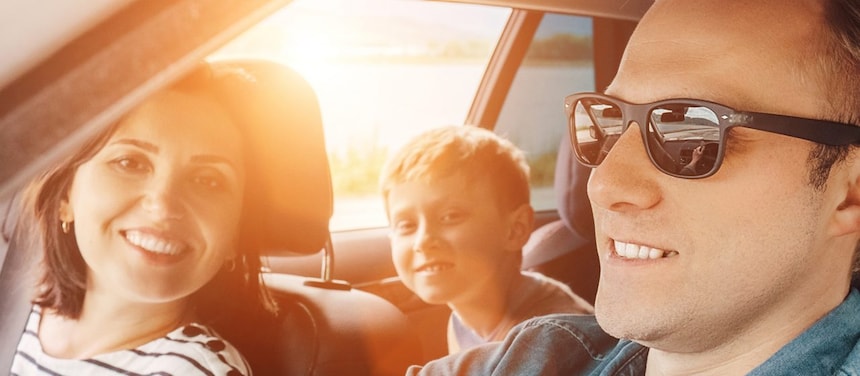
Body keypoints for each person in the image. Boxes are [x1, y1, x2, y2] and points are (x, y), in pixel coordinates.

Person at [407, 0, 860, 374]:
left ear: (850, 191)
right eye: (607, 119)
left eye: (690, 133)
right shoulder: (532, 356)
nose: (604, 184)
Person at [10, 61, 285, 375]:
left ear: (236, 233)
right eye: (129, 163)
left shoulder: (193, 370)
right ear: (65, 198)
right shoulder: (19, 311)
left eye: (208, 180)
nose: (163, 206)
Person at [379, 125, 593, 354]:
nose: (422, 241)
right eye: (406, 225)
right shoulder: (461, 323)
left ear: (515, 229)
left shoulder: (555, 340)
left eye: (450, 217)